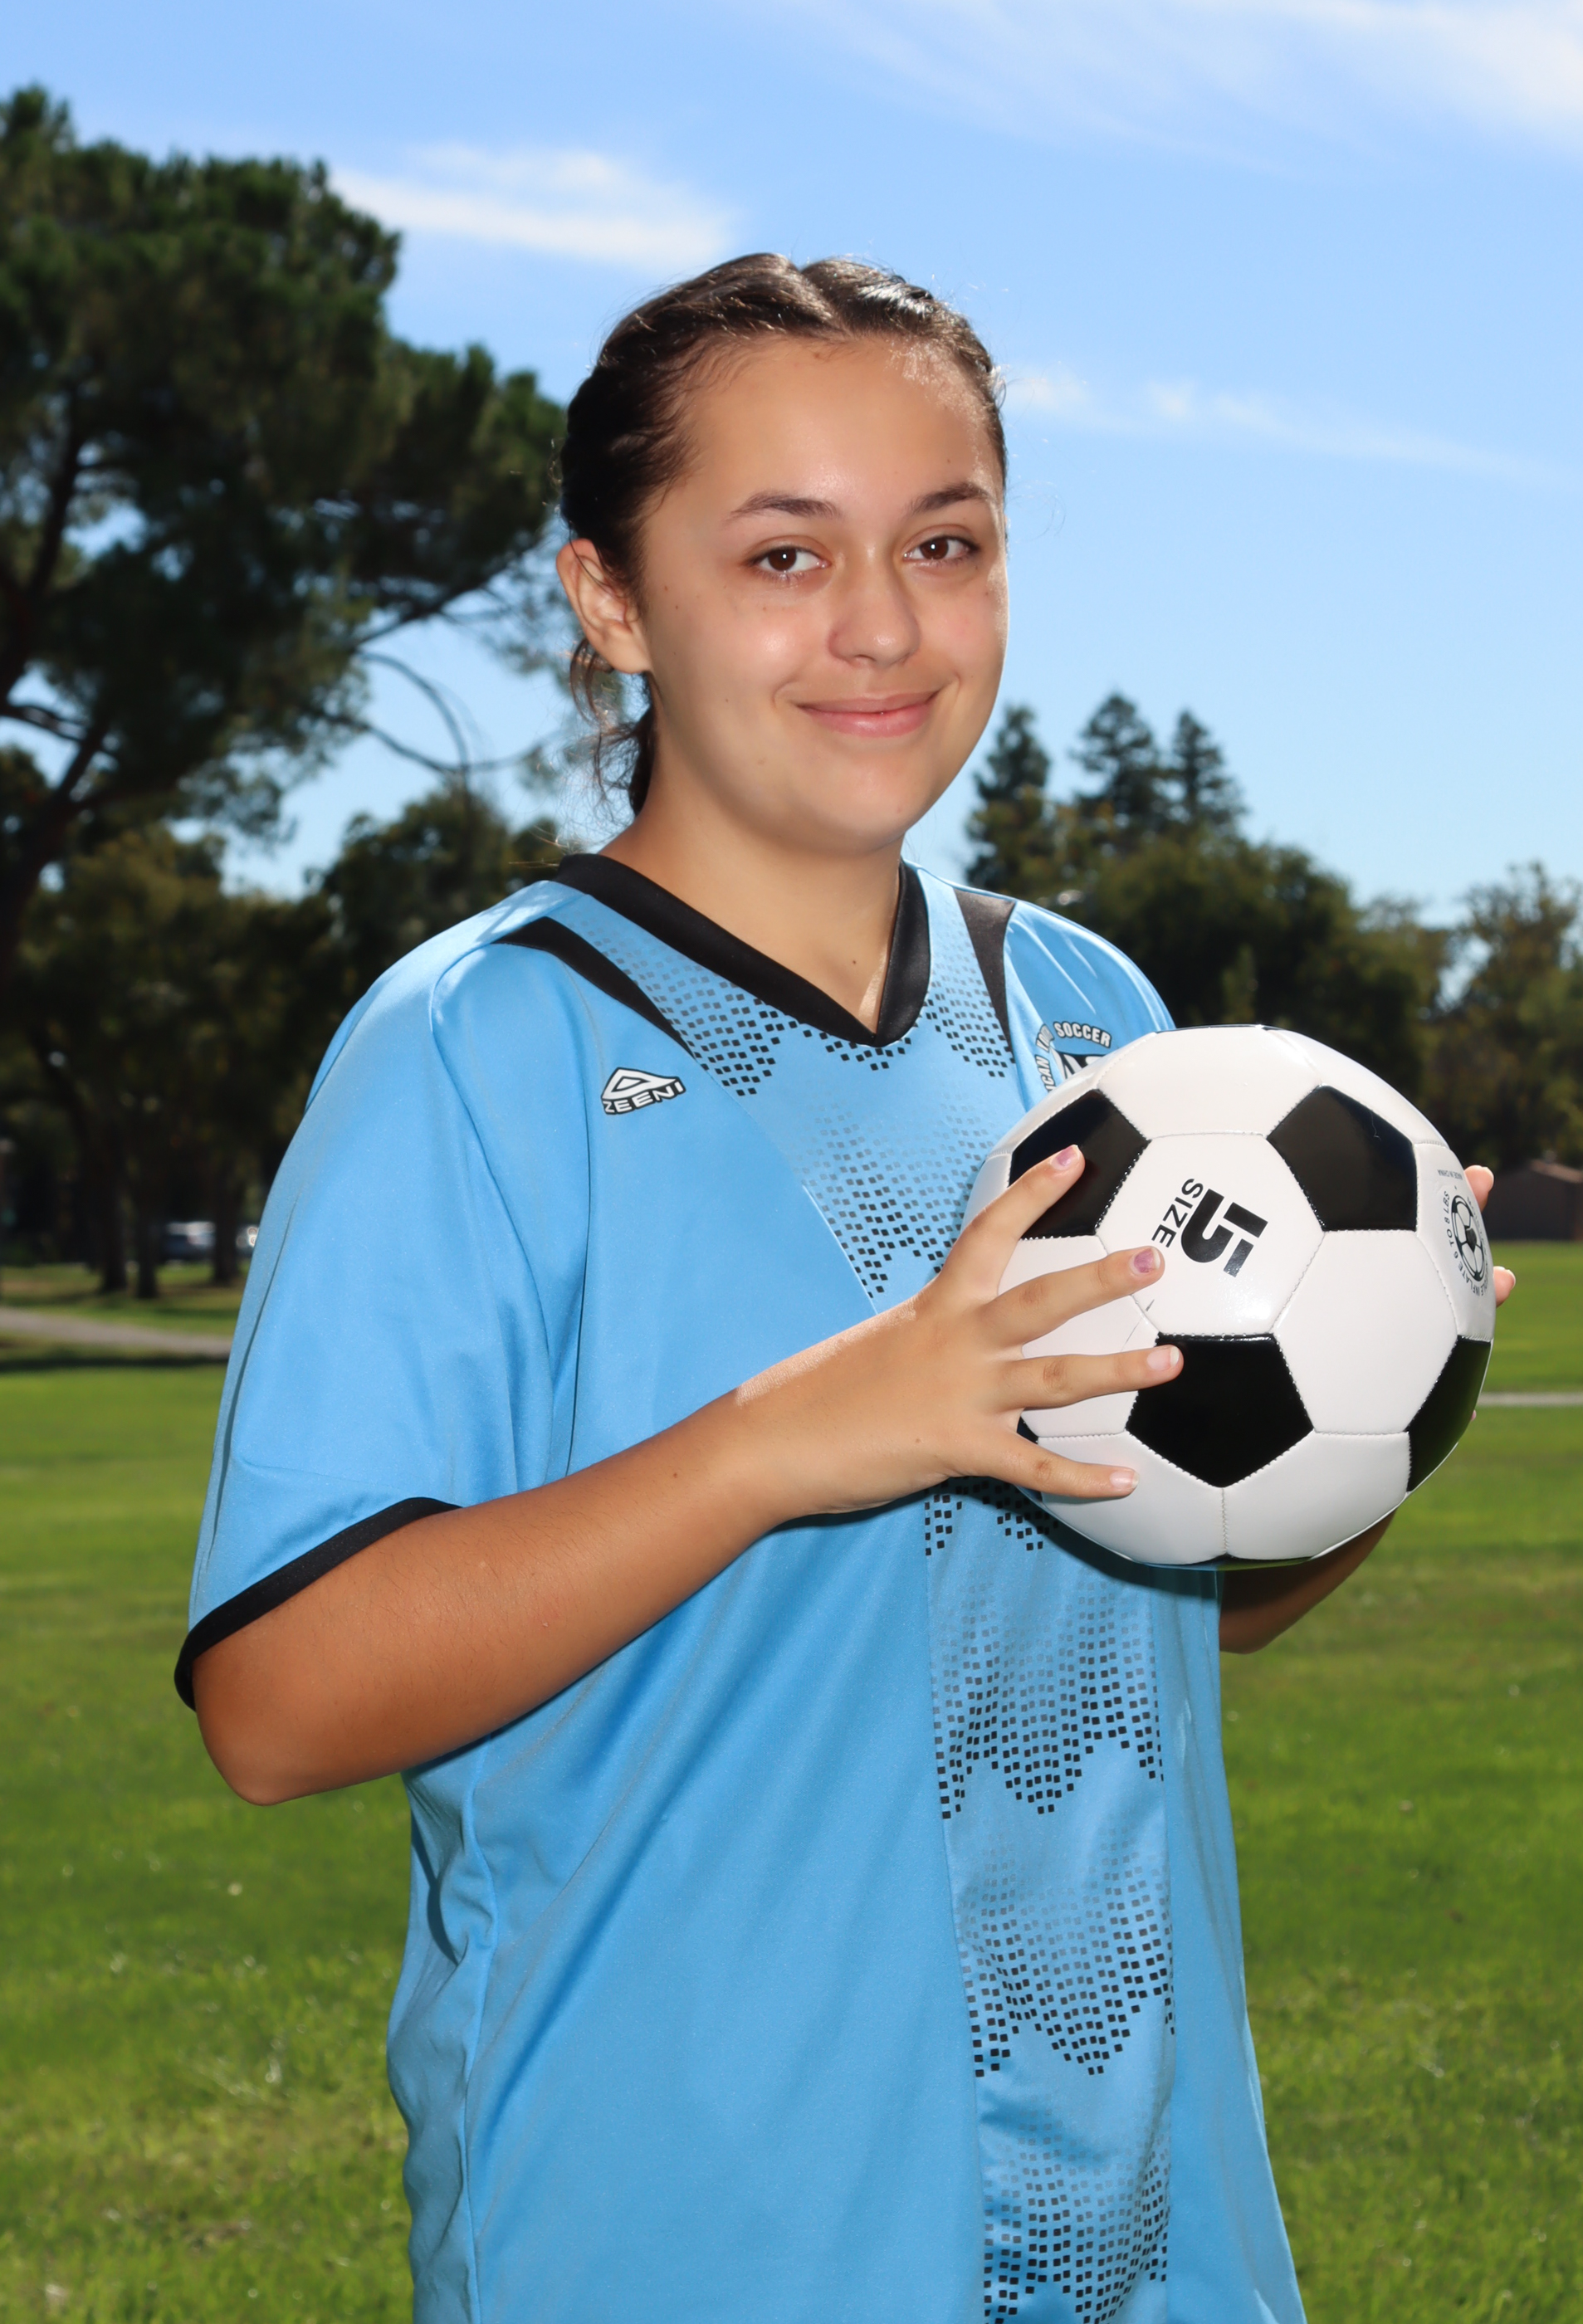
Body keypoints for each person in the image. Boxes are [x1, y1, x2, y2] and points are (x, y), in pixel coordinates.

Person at [180, 255, 1512, 2324]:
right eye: (783, 553)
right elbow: (276, 1703)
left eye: (944, 544)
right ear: (612, 600)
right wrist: (787, 1438)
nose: (881, 625)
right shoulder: (478, 1045)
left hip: (1152, 2250)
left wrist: (1382, 1378)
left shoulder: (1093, 1019)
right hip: (683, 2238)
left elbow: (1180, 1589)